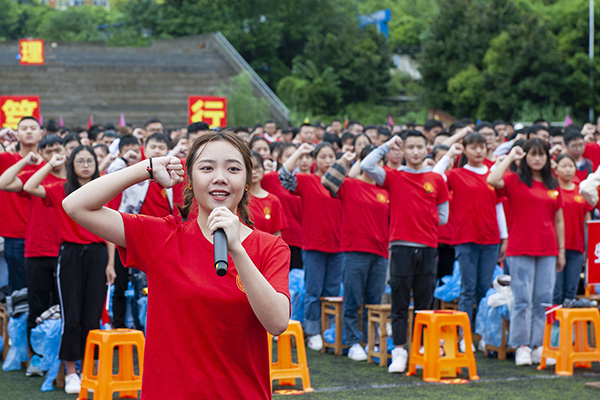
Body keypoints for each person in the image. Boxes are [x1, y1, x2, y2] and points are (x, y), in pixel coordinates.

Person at [62, 131, 290, 399]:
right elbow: (76, 206)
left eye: (233, 168)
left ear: (246, 181)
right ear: (190, 181)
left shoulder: (270, 247)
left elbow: (276, 322)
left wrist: (237, 251)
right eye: (206, 168)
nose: (220, 177)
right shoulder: (163, 236)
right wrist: (145, 168)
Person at [361, 131, 449, 374]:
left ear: (427, 148)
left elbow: (444, 216)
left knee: (425, 303)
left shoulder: (437, 179)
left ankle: (421, 349)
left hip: (429, 248)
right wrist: (387, 145)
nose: (415, 151)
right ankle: (399, 351)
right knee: (399, 303)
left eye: (420, 146)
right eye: (410, 147)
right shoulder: (394, 176)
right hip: (400, 247)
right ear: (403, 150)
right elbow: (366, 165)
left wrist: (423, 220)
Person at [23, 145, 109, 394]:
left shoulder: (103, 187)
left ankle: (88, 370)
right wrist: (51, 163)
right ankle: (71, 372)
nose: (85, 165)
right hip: (70, 254)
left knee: (92, 317)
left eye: (89, 160)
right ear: (71, 165)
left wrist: (112, 263)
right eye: (79, 160)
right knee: (70, 315)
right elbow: (29, 187)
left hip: (98, 254)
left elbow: (112, 226)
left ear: (96, 164)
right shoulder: (61, 189)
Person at [487, 138, 565, 366]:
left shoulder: (553, 184)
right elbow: (492, 179)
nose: (537, 158)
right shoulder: (514, 180)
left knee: (543, 300)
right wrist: (512, 156)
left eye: (541, 154)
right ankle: (521, 345)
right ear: (526, 157)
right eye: (533, 154)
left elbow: (559, 220)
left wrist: (561, 250)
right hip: (521, 247)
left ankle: (539, 345)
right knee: (522, 300)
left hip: (548, 248)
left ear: (548, 158)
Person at [0, 133, 65, 377]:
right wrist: (29, 162)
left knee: (63, 305)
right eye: (48, 152)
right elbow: (4, 182)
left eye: (58, 150)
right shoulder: (35, 177)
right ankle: (37, 356)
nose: (54, 155)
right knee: (36, 305)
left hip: (66, 249)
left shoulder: (74, 180)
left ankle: (62, 355)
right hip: (37, 249)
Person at [433, 133, 508, 339]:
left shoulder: (493, 174)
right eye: (473, 147)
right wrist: (448, 155)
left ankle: (483, 333)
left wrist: (505, 237)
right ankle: (464, 334)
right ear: (465, 149)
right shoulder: (456, 174)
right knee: (467, 289)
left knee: (484, 288)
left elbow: (499, 206)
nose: (478, 151)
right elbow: (434, 177)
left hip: (490, 238)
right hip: (466, 237)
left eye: (481, 147)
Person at [322, 144, 389, 361]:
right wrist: (344, 160)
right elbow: (327, 182)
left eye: (380, 161)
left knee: (374, 300)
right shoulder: (350, 185)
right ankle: (352, 342)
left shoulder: (385, 190)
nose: (376, 166)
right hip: (355, 250)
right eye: (371, 160)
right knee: (352, 299)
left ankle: (371, 340)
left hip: (380, 252)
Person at [279, 142, 342, 351]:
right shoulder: (308, 181)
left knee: (333, 292)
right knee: (313, 291)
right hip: (314, 244)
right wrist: (299, 152)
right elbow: (284, 176)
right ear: (315, 160)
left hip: (339, 245)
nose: (327, 161)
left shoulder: (344, 184)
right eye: (322, 157)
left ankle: (330, 330)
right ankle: (313, 331)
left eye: (331, 156)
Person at [0, 117, 44, 293]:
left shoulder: (50, 163)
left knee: (42, 288)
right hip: (15, 233)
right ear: (16, 135)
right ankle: (19, 320)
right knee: (18, 290)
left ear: (41, 135)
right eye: (24, 128)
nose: (28, 131)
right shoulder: (5, 159)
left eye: (33, 128)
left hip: (43, 236)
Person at [553, 154, 590, 304]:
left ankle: (570, 326)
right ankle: (555, 326)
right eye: (564, 166)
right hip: (555, 247)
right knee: (556, 291)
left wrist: (587, 249)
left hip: (576, 247)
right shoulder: (552, 191)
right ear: (556, 170)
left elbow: (587, 222)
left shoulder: (581, 192)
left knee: (571, 291)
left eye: (571, 166)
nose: (568, 170)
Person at [248, 151, 287, 236]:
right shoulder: (237, 198)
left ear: (263, 169)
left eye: (257, 167)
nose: (253, 172)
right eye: (249, 168)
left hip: (265, 248)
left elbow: (277, 234)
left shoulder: (273, 200)